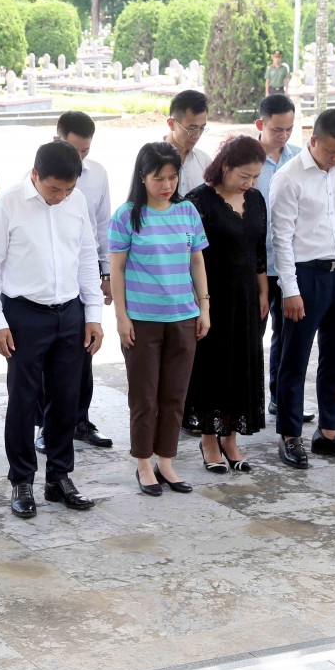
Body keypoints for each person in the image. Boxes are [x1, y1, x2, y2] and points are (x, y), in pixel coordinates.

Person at [0, 141, 104, 519]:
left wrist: (93, 312)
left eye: (67, 190)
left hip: (70, 312)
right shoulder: (6, 204)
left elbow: (85, 256)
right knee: (23, 399)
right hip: (23, 314)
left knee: (67, 398)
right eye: (53, 189)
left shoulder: (76, 201)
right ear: (35, 175)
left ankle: (59, 477)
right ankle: (21, 480)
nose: (61, 196)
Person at [269, 109, 335, 469]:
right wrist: (290, 290)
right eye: (332, 152)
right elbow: (280, 239)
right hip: (305, 275)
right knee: (294, 359)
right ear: (313, 141)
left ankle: (329, 431)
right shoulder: (289, 178)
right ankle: (290, 435)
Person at [109, 142, 210, 496]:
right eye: (158, 178)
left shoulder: (187, 212)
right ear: (142, 177)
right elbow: (117, 270)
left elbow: (197, 261)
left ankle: (166, 460)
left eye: (172, 177)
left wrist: (204, 307)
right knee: (144, 396)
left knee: (174, 395)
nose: (167, 184)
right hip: (142, 319)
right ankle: (142, 462)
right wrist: (121, 317)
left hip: (183, 316)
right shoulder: (126, 215)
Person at [184, 136, 268, 473]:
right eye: (244, 176)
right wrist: (198, 301)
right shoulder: (198, 201)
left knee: (242, 365)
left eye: (255, 177)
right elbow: (189, 256)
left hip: (247, 295)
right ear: (226, 167)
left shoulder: (257, 200)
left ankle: (231, 437)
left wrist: (263, 291)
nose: (250, 183)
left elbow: (259, 250)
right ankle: (208, 438)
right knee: (212, 367)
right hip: (212, 296)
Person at [49, 111, 113, 449]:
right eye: (75, 149)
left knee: (85, 350)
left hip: (83, 279)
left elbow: (102, 227)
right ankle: (48, 425)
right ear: (58, 138)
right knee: (49, 358)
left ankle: (80, 420)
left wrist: (105, 274)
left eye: (86, 151)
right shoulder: (38, 173)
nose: (80, 157)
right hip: (49, 283)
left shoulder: (97, 174)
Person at [254, 94, 310, 424]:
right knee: (251, 337)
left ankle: (282, 398)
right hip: (254, 267)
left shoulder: (298, 159)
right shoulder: (246, 159)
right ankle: (247, 403)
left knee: (289, 336)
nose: (284, 136)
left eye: (289, 129)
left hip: (290, 264)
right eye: (277, 129)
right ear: (261, 125)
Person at [164, 89, 212, 196]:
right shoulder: (150, 159)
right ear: (171, 124)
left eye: (202, 128)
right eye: (192, 129)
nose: (197, 135)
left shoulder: (205, 161)